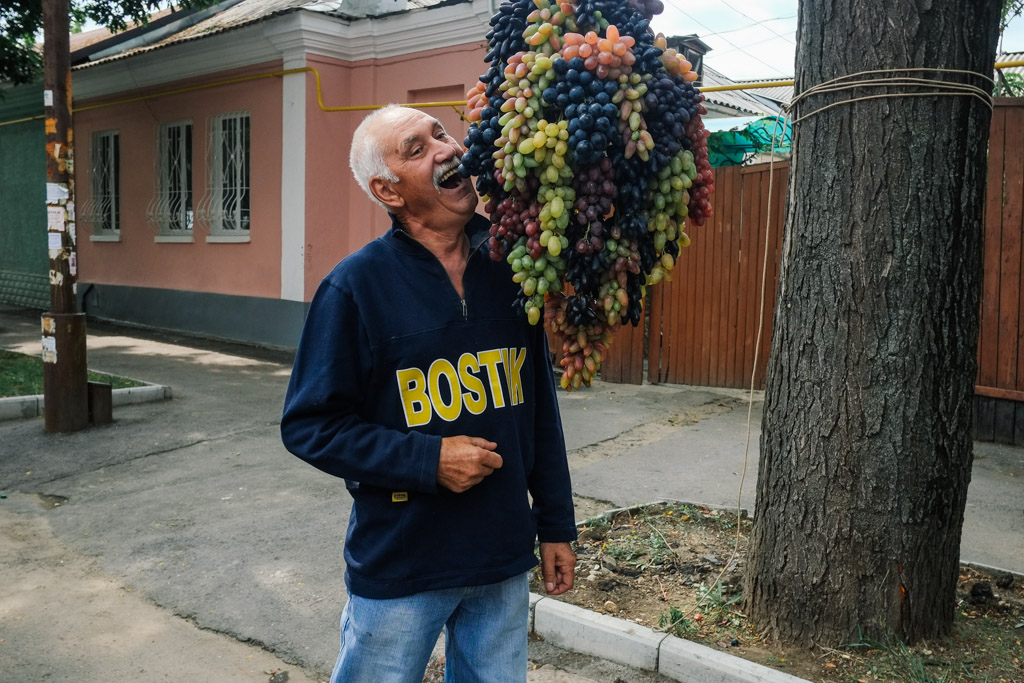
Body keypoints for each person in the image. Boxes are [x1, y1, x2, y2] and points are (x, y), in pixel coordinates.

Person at [280, 104, 577, 683]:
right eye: (416, 148)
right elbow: (310, 425)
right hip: (403, 563)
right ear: (387, 191)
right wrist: (428, 459)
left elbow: (540, 408)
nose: (445, 148)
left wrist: (556, 524)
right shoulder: (355, 287)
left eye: (442, 134)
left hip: (500, 558)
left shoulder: (515, 267)